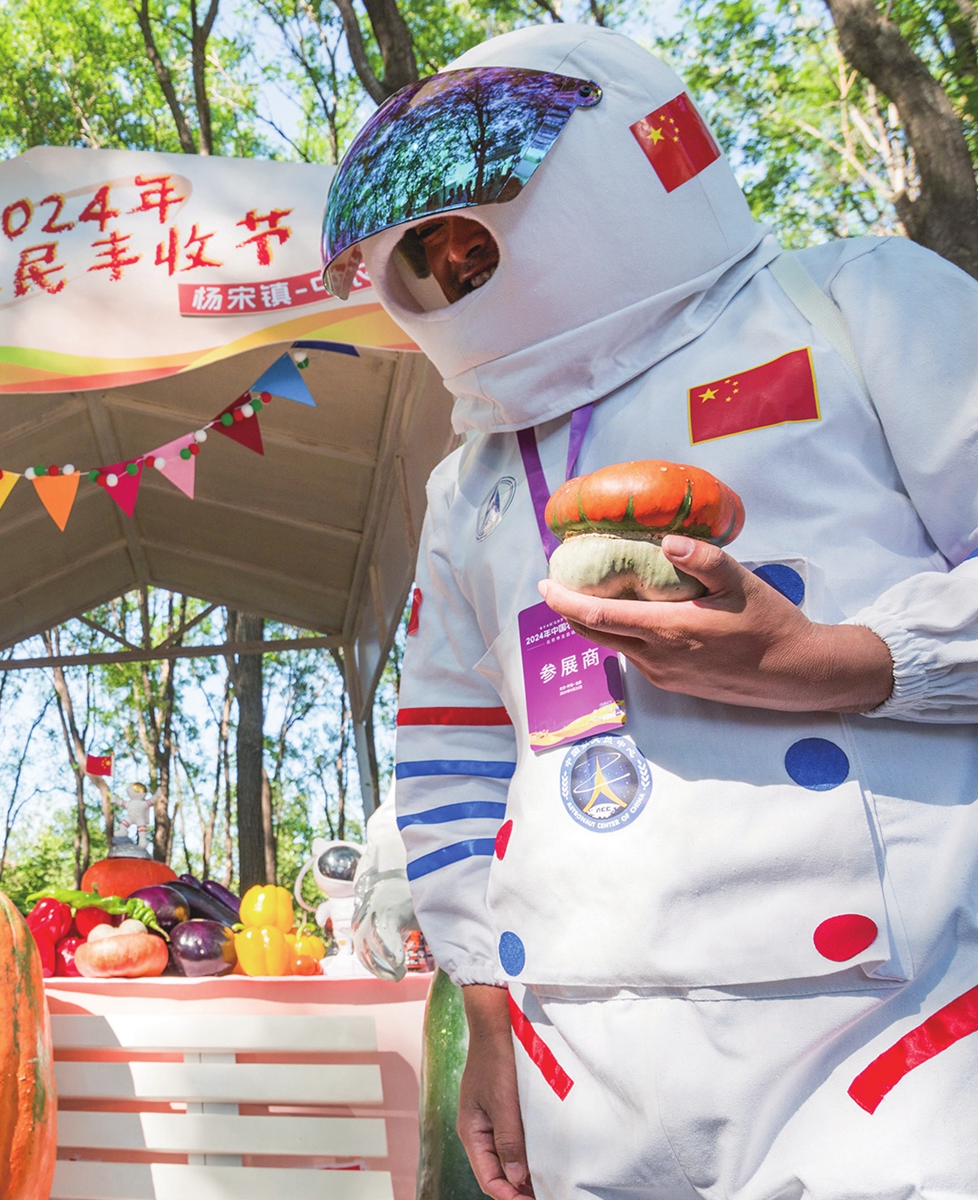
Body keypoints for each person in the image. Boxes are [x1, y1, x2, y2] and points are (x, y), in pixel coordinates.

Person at [319, 23, 978, 1200]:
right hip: (581, 1058)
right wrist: (482, 1008)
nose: (460, 271)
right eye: (429, 255)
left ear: (631, 156)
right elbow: (451, 750)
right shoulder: (463, 480)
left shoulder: (851, 304)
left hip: (901, 1031)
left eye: (477, 230)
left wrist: (836, 661)